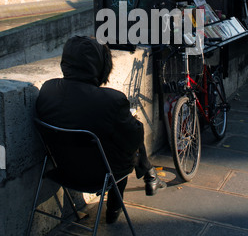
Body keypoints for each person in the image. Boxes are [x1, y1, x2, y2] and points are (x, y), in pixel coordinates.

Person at [36, 35, 166, 224]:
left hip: (62, 171)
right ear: (100, 65)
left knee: (120, 133)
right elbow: (131, 144)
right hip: (99, 176)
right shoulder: (111, 101)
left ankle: (149, 173)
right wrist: (131, 122)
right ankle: (115, 207)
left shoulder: (47, 90)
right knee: (130, 137)